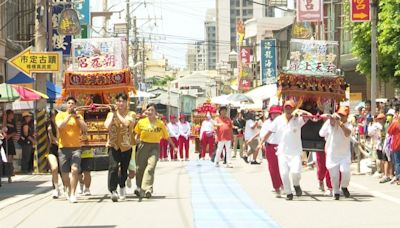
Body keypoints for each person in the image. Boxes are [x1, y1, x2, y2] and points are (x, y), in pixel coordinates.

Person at [259, 100, 310, 200]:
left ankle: (296, 185)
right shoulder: (278, 120)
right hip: (282, 151)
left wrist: (300, 111)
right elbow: (269, 132)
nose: (288, 109)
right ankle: (288, 193)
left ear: (293, 109)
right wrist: (261, 143)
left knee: (295, 172)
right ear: (283, 108)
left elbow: (310, 116)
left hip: (295, 152)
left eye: (290, 107)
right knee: (284, 173)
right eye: (286, 107)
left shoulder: (298, 120)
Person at [134, 104, 178, 200]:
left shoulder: (160, 124)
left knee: (150, 167)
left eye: (152, 110)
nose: (149, 112)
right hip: (143, 146)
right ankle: (139, 187)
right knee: (140, 168)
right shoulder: (141, 122)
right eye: (148, 110)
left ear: (155, 112)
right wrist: (134, 141)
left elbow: (167, 136)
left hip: (154, 147)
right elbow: (136, 135)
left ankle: (148, 188)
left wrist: (174, 147)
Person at [104, 93, 135, 202]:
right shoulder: (110, 114)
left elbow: (127, 123)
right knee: (113, 167)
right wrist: (113, 114)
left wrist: (117, 113)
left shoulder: (131, 114)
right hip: (113, 145)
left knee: (124, 169)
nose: (120, 103)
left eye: (123, 101)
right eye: (118, 101)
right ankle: (113, 190)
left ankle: (122, 185)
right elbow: (106, 126)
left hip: (126, 146)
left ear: (127, 103)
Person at [56, 96, 87, 203]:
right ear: (66, 105)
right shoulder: (60, 115)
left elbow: (85, 128)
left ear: (75, 105)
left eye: (72, 103)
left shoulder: (78, 116)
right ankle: (69, 189)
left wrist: (77, 117)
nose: (70, 105)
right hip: (63, 148)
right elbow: (60, 126)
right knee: (65, 174)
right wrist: (69, 116)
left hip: (76, 148)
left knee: (74, 170)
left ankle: (73, 193)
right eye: (69, 103)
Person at [319, 107, 353, 200]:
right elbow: (321, 133)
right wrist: (331, 121)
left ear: (347, 116)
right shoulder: (332, 122)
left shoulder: (349, 125)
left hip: (344, 154)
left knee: (345, 172)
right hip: (332, 154)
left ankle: (344, 186)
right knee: (334, 176)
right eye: (340, 114)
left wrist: (340, 123)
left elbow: (347, 133)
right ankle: (336, 192)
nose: (341, 117)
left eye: (343, 115)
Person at [257, 105, 283, 197]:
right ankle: (277, 187)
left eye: (277, 113)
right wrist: (262, 144)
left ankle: (283, 183)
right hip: (271, 147)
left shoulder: (284, 122)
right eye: (273, 113)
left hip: (282, 147)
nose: (275, 115)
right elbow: (262, 135)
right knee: (273, 168)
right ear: (270, 114)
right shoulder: (267, 123)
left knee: (283, 168)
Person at [368, 113, 387, 182]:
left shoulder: (376, 125)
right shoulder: (380, 125)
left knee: (382, 159)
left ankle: (382, 172)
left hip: (380, 144)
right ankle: (382, 172)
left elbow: (369, 133)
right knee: (381, 159)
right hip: (380, 144)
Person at [48, 110, 61, 198]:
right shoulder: (48, 126)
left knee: (63, 171)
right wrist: (50, 132)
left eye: (55, 116)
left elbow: (60, 139)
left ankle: (65, 188)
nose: (54, 118)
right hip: (52, 150)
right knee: (54, 168)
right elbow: (52, 141)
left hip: (62, 150)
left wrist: (57, 126)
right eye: (52, 117)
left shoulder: (61, 125)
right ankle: (55, 188)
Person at [3, 110, 17, 182]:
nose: (12, 116)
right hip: (3, 141)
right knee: (4, 158)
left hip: (10, 141)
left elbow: (15, 132)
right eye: (11, 114)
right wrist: (4, 118)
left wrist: (9, 136)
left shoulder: (13, 122)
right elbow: (3, 128)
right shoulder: (3, 122)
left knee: (10, 158)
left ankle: (9, 174)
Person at [388, 113, 400, 185]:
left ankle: (399, 178)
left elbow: (389, 131)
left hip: (396, 144)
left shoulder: (395, 123)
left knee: (398, 162)